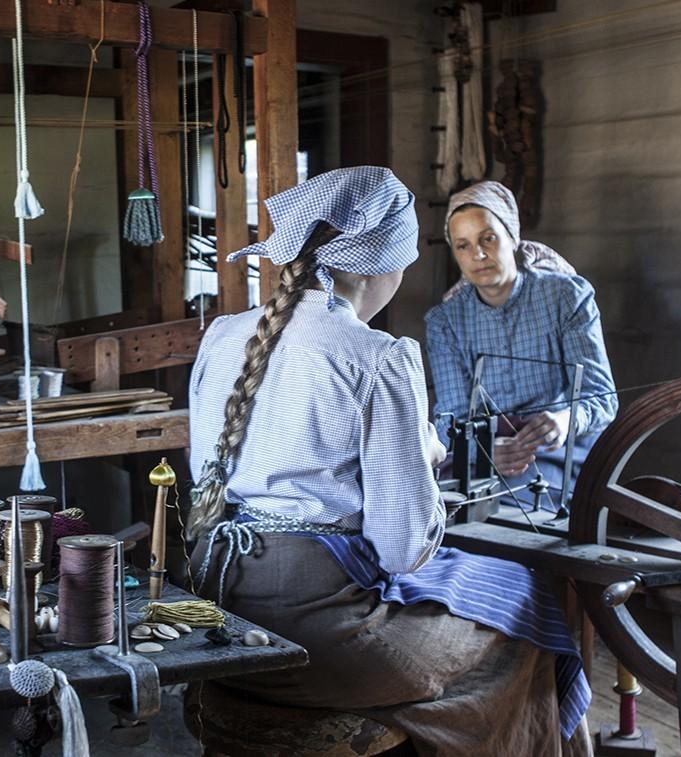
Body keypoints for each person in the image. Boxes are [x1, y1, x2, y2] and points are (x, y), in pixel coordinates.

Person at [187, 167, 591, 756]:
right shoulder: (379, 355)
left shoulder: (222, 335)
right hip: (315, 636)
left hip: (217, 618)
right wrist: (422, 461)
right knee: (529, 615)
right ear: (386, 263)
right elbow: (403, 549)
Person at [426, 180, 617, 510]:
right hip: (481, 451)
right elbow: (450, 418)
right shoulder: (446, 321)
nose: (478, 254)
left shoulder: (567, 296)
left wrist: (564, 421)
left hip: (556, 448)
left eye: (488, 238)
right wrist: (482, 448)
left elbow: (602, 399)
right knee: (432, 508)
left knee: (514, 507)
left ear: (512, 236)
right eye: (463, 245)